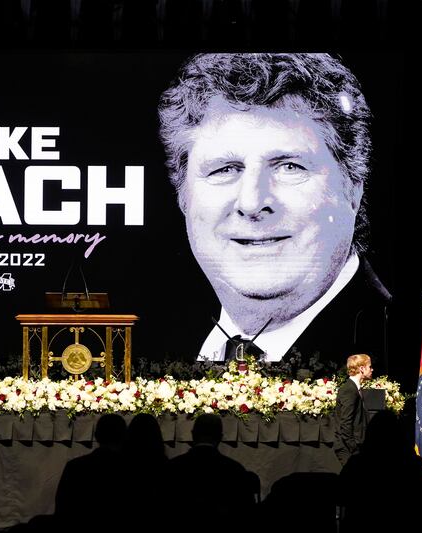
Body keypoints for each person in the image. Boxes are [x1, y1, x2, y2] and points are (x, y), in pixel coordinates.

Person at [158, 53, 391, 368]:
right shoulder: (155, 342)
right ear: (183, 195)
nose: (252, 203)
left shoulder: (405, 350)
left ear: (353, 188)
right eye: (225, 169)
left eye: (289, 167)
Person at [165, 413, 256, 529]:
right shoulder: (234, 470)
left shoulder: (173, 468)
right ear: (220, 437)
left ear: (193, 435)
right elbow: (246, 512)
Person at [333, 354, 372, 465]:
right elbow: (345, 422)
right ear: (362, 369)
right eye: (369, 366)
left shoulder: (354, 388)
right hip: (347, 448)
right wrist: (354, 449)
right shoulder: (349, 390)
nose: (372, 369)